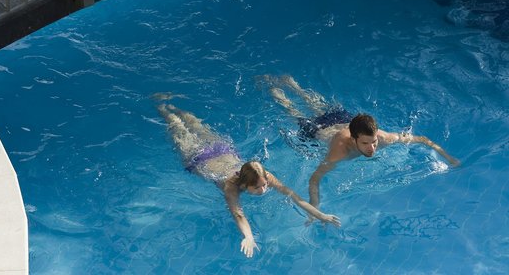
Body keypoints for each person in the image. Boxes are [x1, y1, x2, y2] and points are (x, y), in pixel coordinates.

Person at [155, 100, 340, 258]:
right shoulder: (231, 186)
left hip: (221, 149)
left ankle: (174, 105)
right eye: (257, 188)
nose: (264, 190)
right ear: (244, 185)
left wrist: (320, 215)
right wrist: (249, 236)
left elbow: (294, 196)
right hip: (198, 158)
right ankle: (162, 105)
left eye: (264, 185)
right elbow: (238, 214)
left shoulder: (264, 176)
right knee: (177, 127)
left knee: (195, 124)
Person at [263, 75, 460, 208]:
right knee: (294, 112)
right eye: (365, 144)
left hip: (344, 119)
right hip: (320, 130)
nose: (372, 148)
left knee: (315, 103)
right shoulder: (340, 150)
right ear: (354, 138)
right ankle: (277, 91)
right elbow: (315, 178)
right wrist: (315, 207)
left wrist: (449, 158)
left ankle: (293, 84)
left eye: (373, 142)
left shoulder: (383, 138)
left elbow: (422, 140)